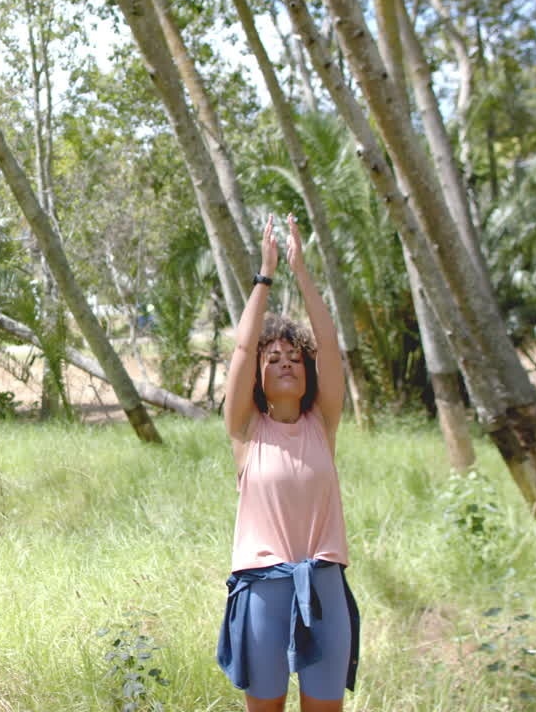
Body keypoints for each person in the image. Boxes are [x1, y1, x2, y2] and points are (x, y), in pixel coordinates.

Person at [217, 214, 360, 712]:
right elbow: (240, 348)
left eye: (295, 358)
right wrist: (266, 273)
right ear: (258, 375)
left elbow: (332, 351)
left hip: (323, 585)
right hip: (265, 589)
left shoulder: (323, 422)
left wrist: (303, 272)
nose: (285, 362)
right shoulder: (246, 430)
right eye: (273, 357)